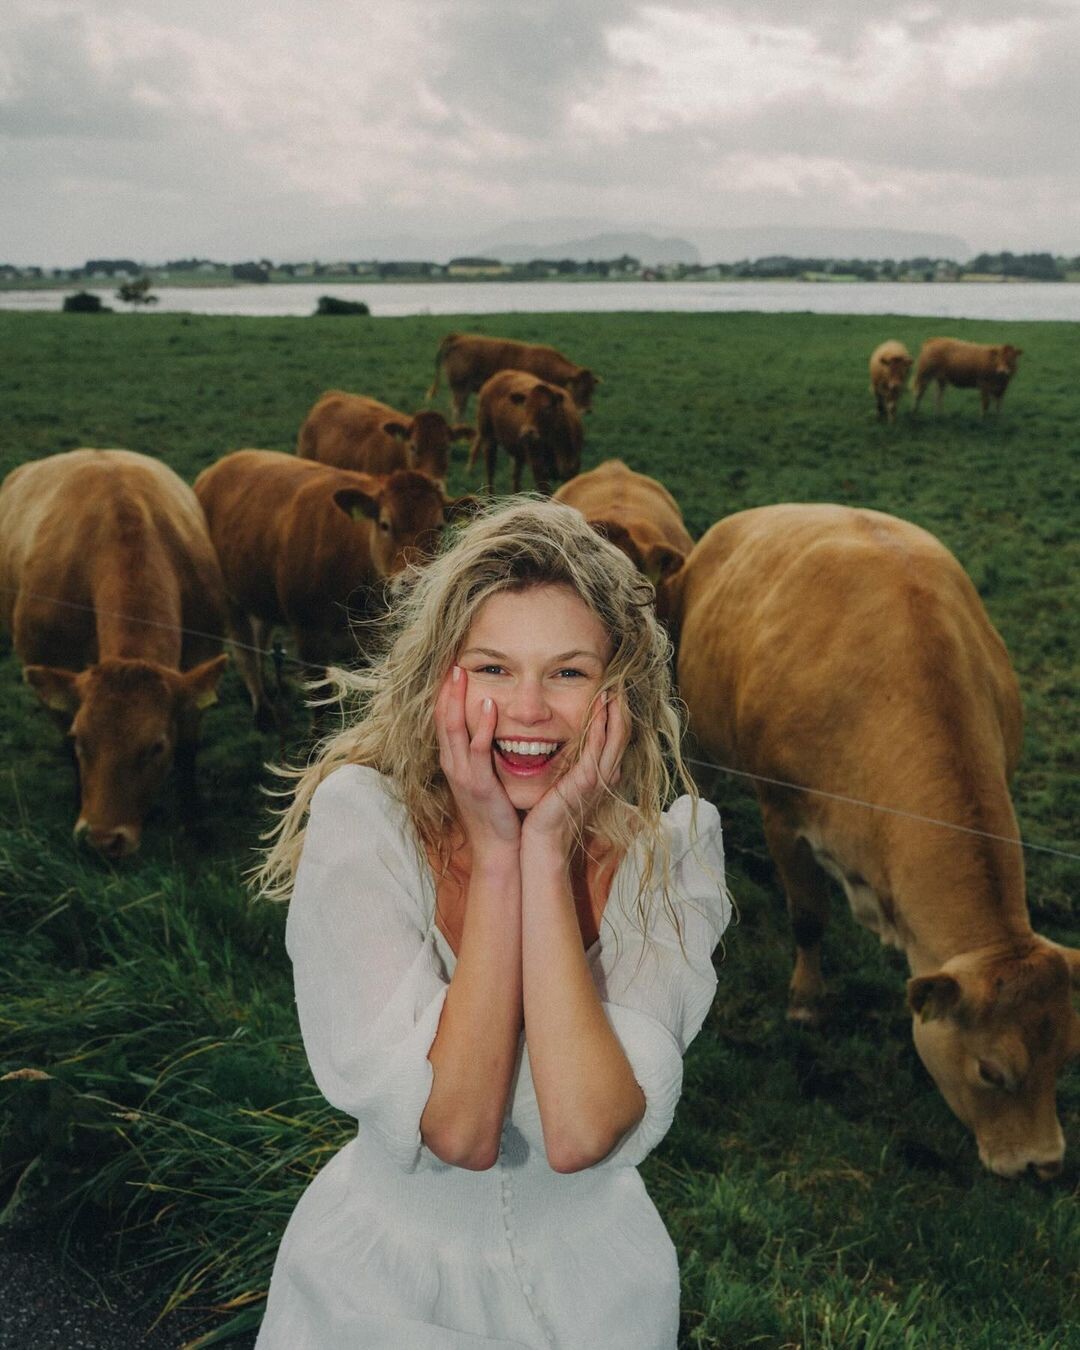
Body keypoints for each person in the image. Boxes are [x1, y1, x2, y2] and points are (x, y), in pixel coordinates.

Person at [254, 499, 730, 1350]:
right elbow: (459, 1129)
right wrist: (497, 854)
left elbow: (582, 1131)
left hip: (595, 1302)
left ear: (620, 692)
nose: (529, 708)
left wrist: (542, 853)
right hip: (380, 1295)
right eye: (494, 668)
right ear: (444, 680)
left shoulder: (673, 859)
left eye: (569, 673)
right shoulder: (365, 826)